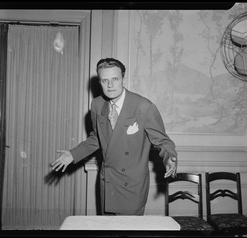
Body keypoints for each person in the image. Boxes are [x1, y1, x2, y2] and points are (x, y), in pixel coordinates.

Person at [51, 58, 178, 215]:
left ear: (123, 79)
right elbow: (97, 137)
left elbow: (163, 142)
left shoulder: (144, 107)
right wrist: (73, 154)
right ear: (100, 82)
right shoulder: (97, 105)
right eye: (105, 80)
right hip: (108, 181)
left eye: (115, 79)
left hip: (132, 185)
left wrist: (169, 158)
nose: (110, 85)